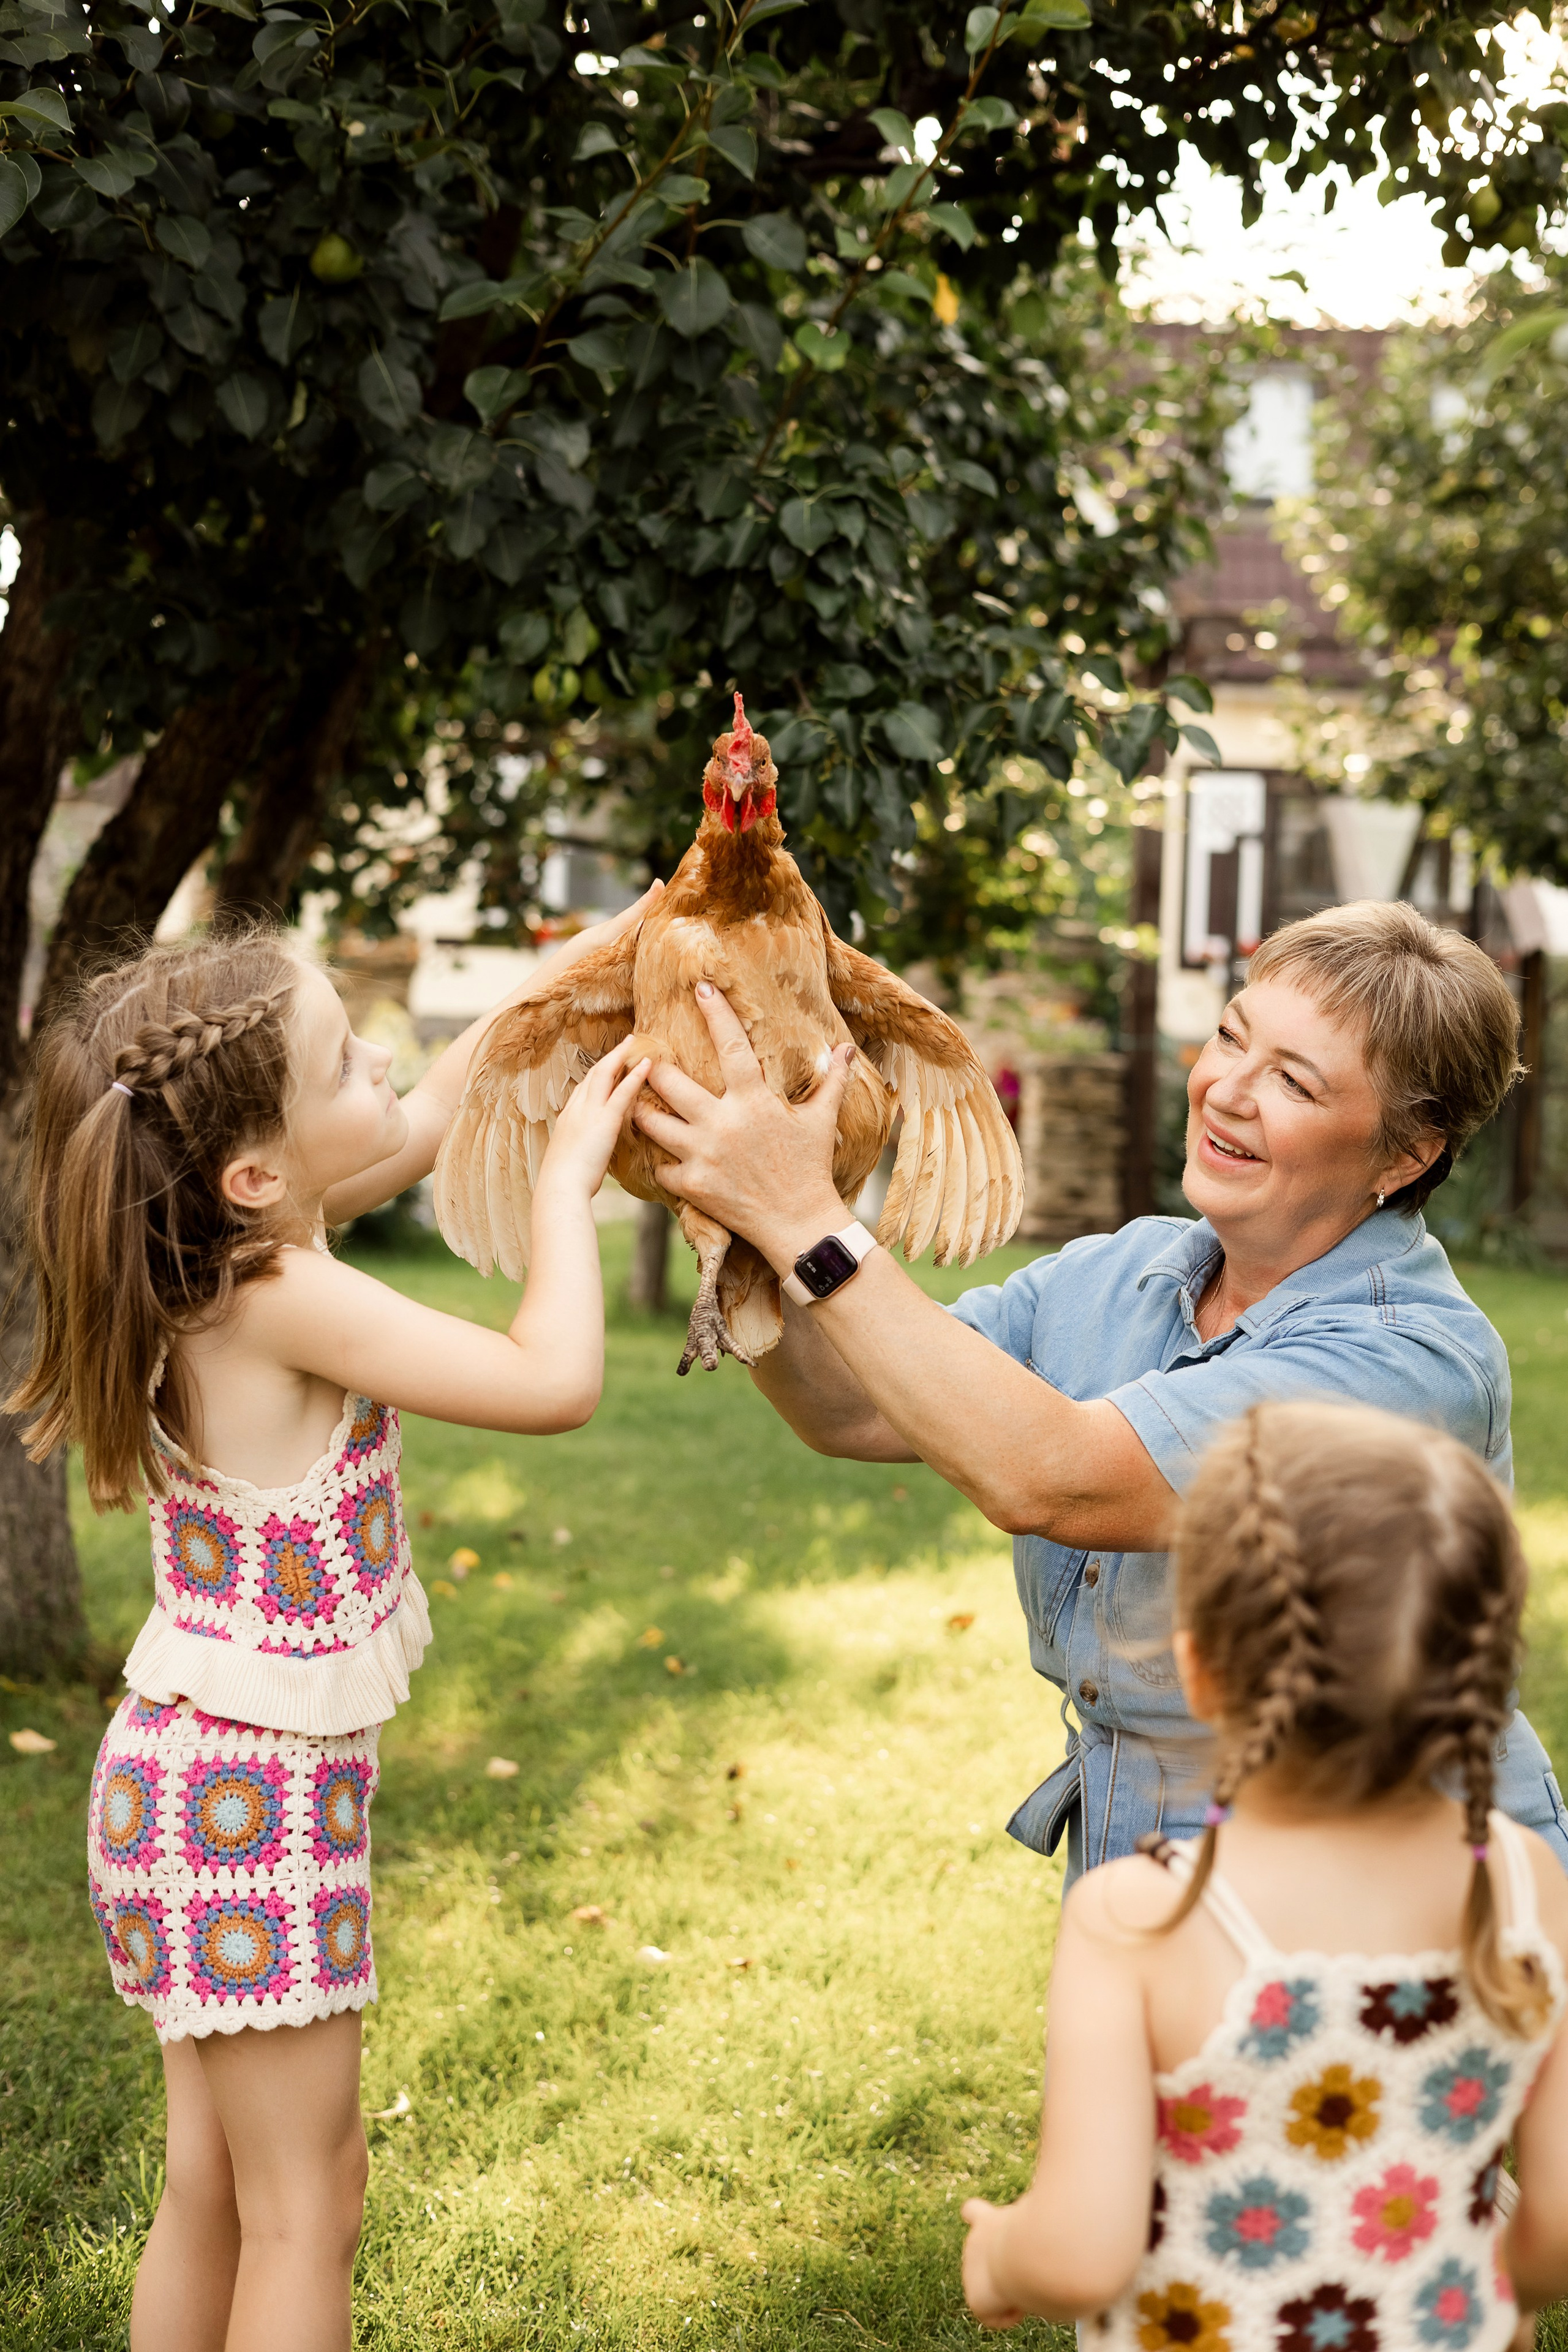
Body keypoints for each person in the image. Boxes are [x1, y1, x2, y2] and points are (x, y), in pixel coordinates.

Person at [10, 911, 655, 2352]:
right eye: (346, 1057)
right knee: (309, 2203)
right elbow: (548, 1380)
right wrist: (567, 1193)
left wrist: (592, 962)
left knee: (218, 2192)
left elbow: (418, 1122)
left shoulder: (209, 1255)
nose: (386, 1065)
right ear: (254, 1172)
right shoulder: (281, 1290)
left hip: (180, 1785)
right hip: (252, 1806)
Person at [631, 899, 1568, 1877]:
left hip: (1383, 1876)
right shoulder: (1122, 1271)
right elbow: (855, 1402)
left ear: (1410, 1154)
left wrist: (803, 1216)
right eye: (1230, 1038)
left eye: (1293, 1081)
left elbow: (1055, 1477)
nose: (1226, 1091)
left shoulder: (1407, 1364)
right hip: (1146, 1848)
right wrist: (738, 1223)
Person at [959, 1400, 1568, 2348]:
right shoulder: (1524, 1882)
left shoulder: (1141, 1917)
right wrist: (1489, 2287)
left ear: (1198, 1671)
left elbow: (1082, 2254)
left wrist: (998, 2255)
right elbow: (1560, 2227)